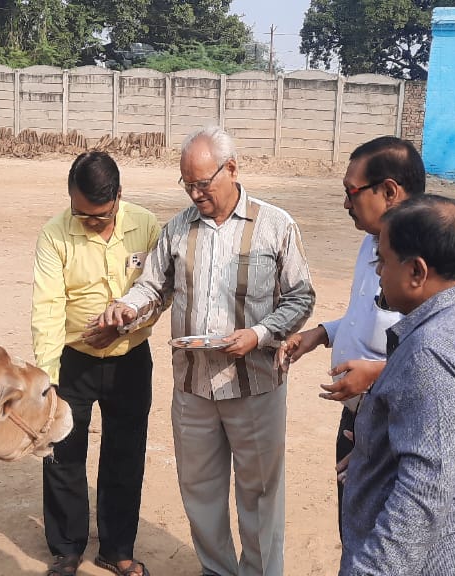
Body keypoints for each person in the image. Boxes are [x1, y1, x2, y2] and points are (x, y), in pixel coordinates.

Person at [100, 126, 315, 576]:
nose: (195, 194)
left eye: (203, 183)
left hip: (255, 385)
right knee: (200, 490)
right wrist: (126, 307)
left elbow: (300, 297)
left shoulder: (275, 225)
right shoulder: (177, 229)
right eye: (187, 184)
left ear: (231, 169)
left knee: (259, 494)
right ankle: (217, 570)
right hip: (193, 388)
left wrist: (259, 333)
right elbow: (153, 288)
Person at [340, 195, 455, 575]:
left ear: (417, 272)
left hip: (439, 560)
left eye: (383, 260)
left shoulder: (433, 351)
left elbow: (422, 496)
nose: (377, 272)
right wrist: (374, 453)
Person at [274, 136, 424, 539]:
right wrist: (322, 333)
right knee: (354, 532)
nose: (345, 204)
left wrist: (375, 375)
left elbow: (439, 357)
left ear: (389, 191)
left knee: (384, 542)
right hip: (360, 418)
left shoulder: (428, 259)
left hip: (398, 430)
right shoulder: (372, 244)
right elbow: (369, 319)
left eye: (351, 193)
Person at [31, 152, 161, 576]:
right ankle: (67, 548)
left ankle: (117, 548)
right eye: (80, 214)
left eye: (98, 216)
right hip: (74, 363)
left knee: (125, 454)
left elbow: (160, 292)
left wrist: (121, 330)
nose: (87, 221)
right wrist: (48, 382)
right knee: (63, 452)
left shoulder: (146, 225)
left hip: (131, 361)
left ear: (119, 198)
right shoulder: (54, 235)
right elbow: (48, 308)